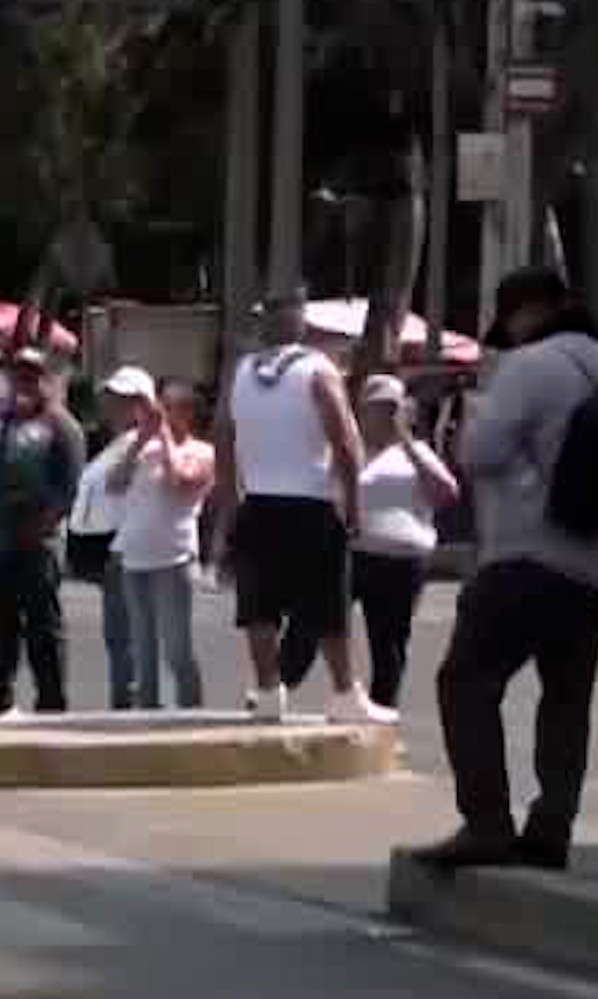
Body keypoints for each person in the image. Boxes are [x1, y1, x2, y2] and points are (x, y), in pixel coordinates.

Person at [413, 267, 598, 871]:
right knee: (567, 697)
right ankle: (551, 827)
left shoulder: (531, 366)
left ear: (526, 313)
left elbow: (478, 454)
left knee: (466, 681)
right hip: (589, 569)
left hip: (526, 554)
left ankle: (487, 822)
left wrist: (476, 412)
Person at [213, 289, 395, 724]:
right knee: (327, 604)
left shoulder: (240, 372)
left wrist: (230, 502)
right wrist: (352, 504)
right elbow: (346, 444)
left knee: (259, 605)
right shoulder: (319, 370)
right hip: (312, 502)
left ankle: (268, 689)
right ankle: (344, 694)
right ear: (302, 326)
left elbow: (222, 438)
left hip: (257, 501)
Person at [279, 374, 459, 708]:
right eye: (376, 407)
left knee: (388, 644)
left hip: (401, 561)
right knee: (310, 621)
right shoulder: (346, 448)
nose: (383, 415)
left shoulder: (417, 451)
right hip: (348, 553)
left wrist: (405, 440)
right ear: (360, 410)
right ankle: (275, 689)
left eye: (391, 408)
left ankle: (382, 713)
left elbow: (446, 494)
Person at [0, 347, 87, 717]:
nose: (25, 381)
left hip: (36, 545)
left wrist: (43, 527)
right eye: (18, 374)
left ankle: (51, 701)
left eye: (33, 375)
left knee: (43, 625)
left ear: (48, 379)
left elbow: (70, 488)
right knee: (0, 623)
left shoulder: (61, 427)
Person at [109, 379, 214, 710]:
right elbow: (114, 484)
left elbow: (179, 482)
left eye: (174, 408)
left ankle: (191, 716)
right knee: (143, 651)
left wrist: (165, 437)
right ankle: (146, 717)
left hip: (174, 560)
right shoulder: (141, 447)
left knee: (177, 651)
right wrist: (141, 439)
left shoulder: (203, 452)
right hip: (135, 559)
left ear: (190, 413)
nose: (165, 415)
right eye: (163, 407)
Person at [67, 367, 156, 709]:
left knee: (125, 636)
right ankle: (127, 703)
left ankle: (131, 707)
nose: (114, 406)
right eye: (112, 398)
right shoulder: (115, 444)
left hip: (126, 548)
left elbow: (122, 488)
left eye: (125, 400)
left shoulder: (143, 445)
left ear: (143, 404)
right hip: (108, 551)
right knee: (119, 636)